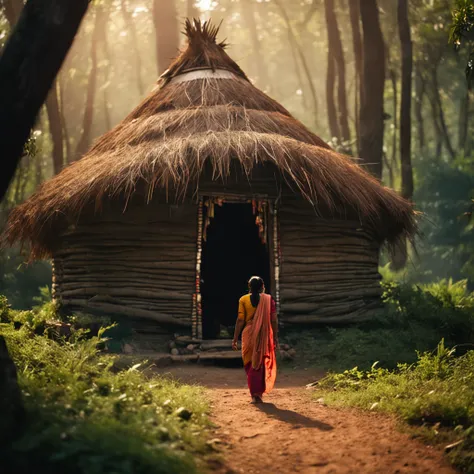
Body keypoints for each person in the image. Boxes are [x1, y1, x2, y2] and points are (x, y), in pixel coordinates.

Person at [232, 276, 278, 404]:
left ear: (249, 287)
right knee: (259, 363)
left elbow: (241, 320)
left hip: (248, 333)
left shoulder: (243, 300)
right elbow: (274, 320)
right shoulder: (269, 300)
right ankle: (258, 393)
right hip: (263, 333)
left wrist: (235, 338)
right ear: (263, 286)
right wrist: (275, 337)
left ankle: (254, 394)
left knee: (249, 362)